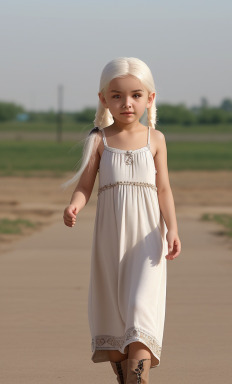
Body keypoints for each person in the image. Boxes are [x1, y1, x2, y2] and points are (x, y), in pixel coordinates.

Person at [62, 57, 181, 383]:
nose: (126, 103)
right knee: (116, 316)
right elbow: (85, 185)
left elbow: (164, 188)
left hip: (147, 240)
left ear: (150, 98)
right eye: (116, 95)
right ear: (103, 99)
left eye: (136, 95)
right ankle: (127, 377)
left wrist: (172, 228)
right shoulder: (99, 140)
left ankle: (138, 379)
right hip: (111, 241)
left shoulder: (155, 140)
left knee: (142, 308)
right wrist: (74, 205)